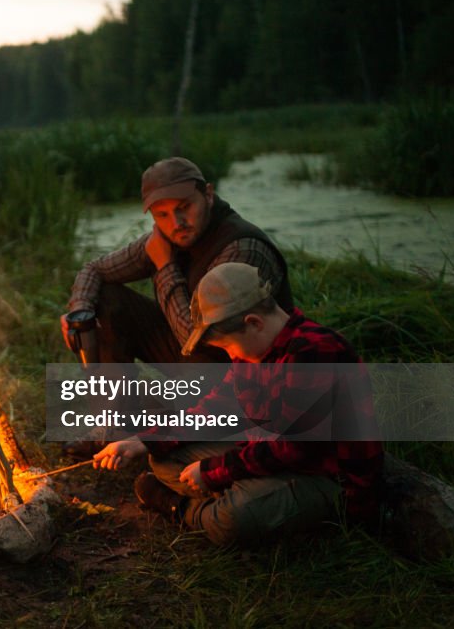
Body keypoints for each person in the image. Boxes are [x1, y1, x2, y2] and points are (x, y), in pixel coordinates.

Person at [93, 263, 383, 546]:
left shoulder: (313, 353)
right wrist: (144, 441)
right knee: (162, 459)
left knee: (231, 518)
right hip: (271, 459)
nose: (230, 356)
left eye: (228, 346)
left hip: (325, 477)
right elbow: (213, 409)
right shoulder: (252, 354)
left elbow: (293, 448)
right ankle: (246, 499)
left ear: (254, 323)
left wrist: (211, 471)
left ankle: (182, 508)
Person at [62, 157, 293, 365]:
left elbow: (200, 337)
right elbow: (93, 269)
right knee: (103, 297)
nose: (176, 223)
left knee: (200, 361)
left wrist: (165, 267)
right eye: (162, 215)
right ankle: (115, 409)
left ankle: (193, 408)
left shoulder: (240, 247)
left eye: (185, 207)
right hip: (189, 354)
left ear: (208, 195)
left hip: (235, 361)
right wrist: (79, 313)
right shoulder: (169, 236)